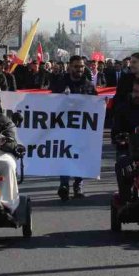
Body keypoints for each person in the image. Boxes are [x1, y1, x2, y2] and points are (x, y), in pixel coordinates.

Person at [50, 55, 98, 200]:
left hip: (82, 128)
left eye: (82, 66)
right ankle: (64, 184)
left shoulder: (89, 85)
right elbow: (50, 102)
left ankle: (78, 185)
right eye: (76, 66)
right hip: (64, 126)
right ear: (70, 66)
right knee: (64, 154)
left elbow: (95, 105)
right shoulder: (60, 83)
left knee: (80, 156)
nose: (79, 69)